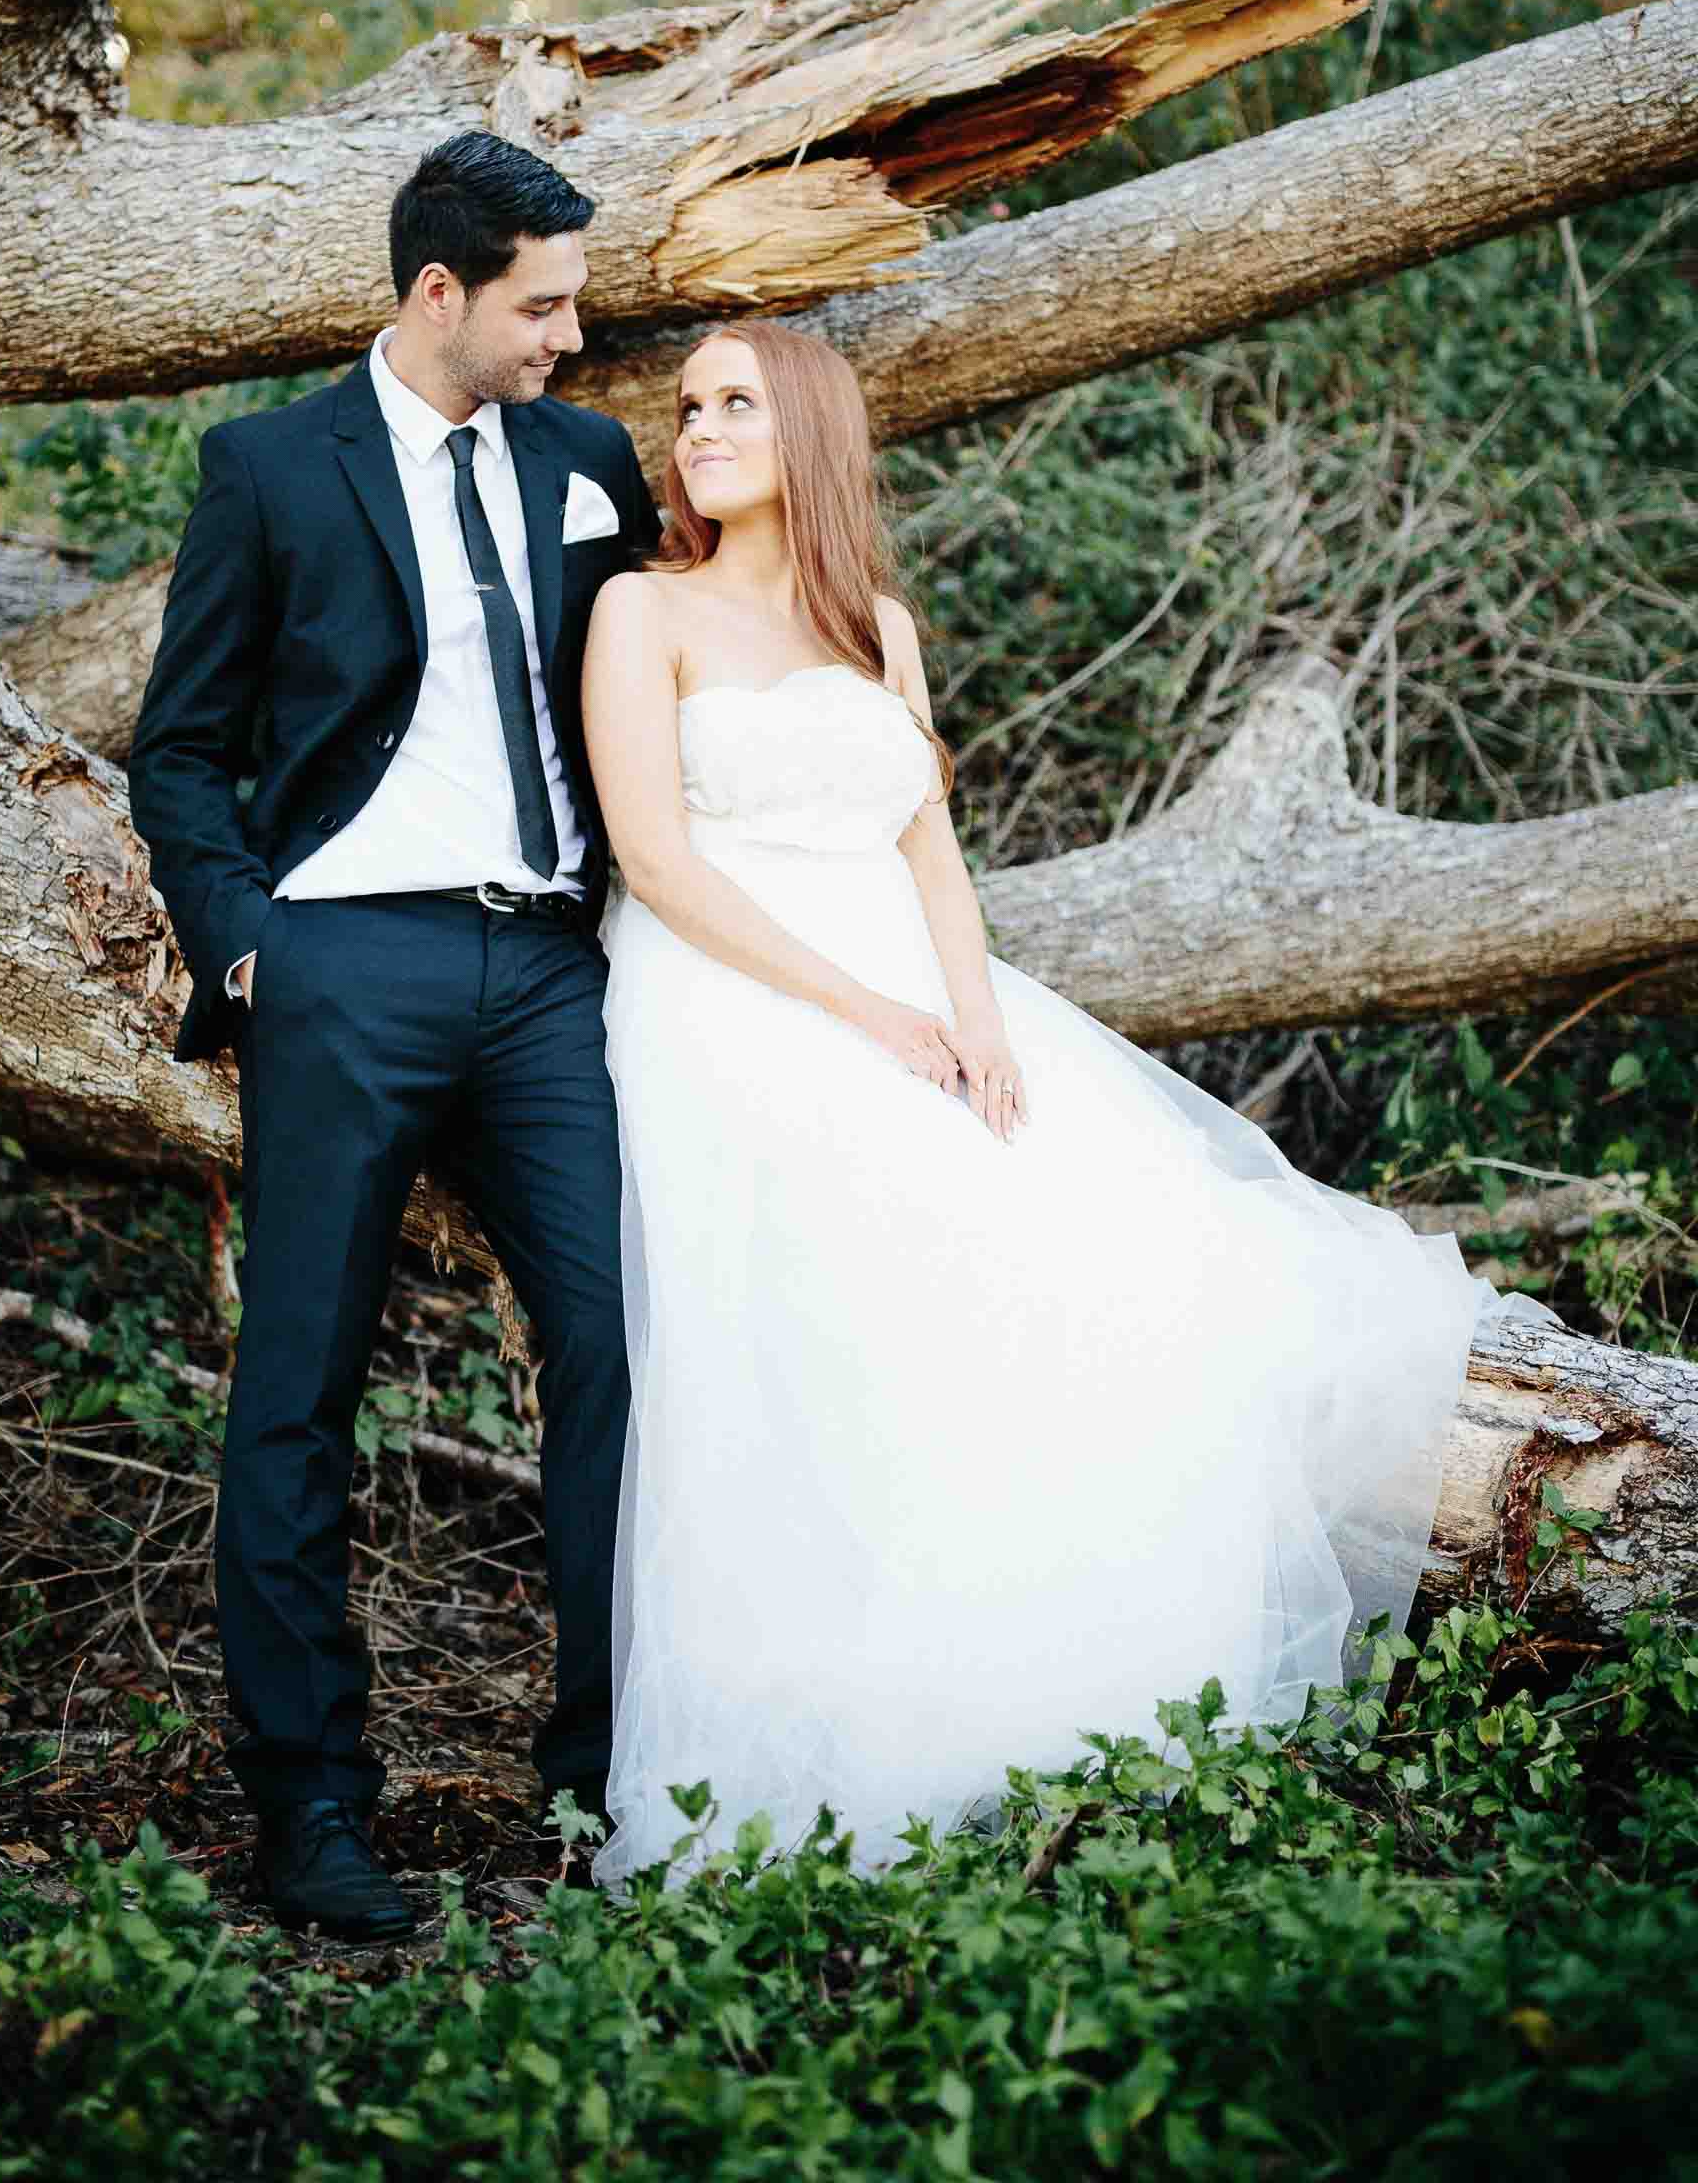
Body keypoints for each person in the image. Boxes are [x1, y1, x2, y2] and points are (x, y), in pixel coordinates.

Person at [579, 319, 1535, 1893]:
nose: (698, 430)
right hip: (724, 988)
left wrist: (973, 1019)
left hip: (909, 987)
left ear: (810, 428)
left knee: (1101, 1248)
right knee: (855, 1261)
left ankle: (1032, 1669)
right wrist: (870, 1013)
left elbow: (928, 849)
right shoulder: (642, 609)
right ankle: (813, 1719)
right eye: (688, 408)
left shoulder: (875, 624)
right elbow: (658, 862)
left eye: (736, 403)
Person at [129, 131, 659, 1939]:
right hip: (345, 964)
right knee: (299, 1389)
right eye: (544, 304)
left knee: (621, 1349)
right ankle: (313, 1813)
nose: (573, 341)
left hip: (553, 978)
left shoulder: (587, 464)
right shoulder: (272, 469)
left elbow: (652, 686)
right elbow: (181, 747)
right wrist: (249, 944)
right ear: (440, 294)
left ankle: (605, 1774)